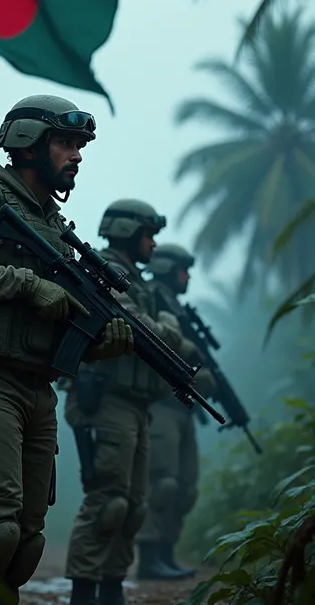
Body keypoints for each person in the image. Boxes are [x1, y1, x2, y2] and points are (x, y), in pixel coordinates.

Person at [0, 95, 134, 605]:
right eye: (65, 143)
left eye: (79, 145)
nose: (76, 155)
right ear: (28, 144)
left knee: (24, 544)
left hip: (38, 388)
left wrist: (100, 346)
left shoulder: (54, 228)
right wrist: (26, 284)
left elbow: (55, 327)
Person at [60, 200, 188, 605]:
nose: (153, 244)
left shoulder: (138, 280)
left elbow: (165, 337)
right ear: (128, 232)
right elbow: (145, 331)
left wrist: (165, 331)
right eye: (148, 235)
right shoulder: (103, 271)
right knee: (107, 502)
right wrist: (167, 328)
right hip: (105, 399)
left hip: (136, 403)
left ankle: (112, 589)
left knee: (133, 506)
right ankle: (83, 592)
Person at [135, 244, 216, 581]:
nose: (188, 277)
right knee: (162, 482)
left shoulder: (176, 307)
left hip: (182, 406)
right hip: (160, 402)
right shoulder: (152, 297)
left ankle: (166, 552)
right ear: (169, 269)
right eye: (184, 270)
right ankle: (150, 556)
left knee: (185, 486)